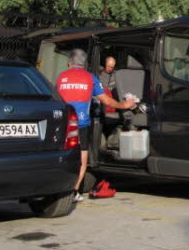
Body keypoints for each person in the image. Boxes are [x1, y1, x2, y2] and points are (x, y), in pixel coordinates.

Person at [56, 49, 136, 202]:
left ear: (69, 62)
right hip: (81, 124)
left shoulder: (61, 77)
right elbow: (106, 100)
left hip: (63, 123)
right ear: (84, 63)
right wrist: (124, 105)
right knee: (82, 157)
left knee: (62, 155)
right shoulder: (90, 77)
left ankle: (59, 188)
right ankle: (73, 191)